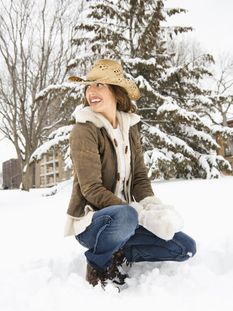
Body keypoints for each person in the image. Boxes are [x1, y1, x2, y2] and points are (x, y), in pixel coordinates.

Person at [65, 59, 196, 288]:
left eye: (99, 85)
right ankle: (99, 263)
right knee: (126, 216)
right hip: (95, 224)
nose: (91, 92)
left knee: (184, 247)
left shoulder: (130, 126)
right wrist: (134, 213)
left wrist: (153, 209)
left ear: (117, 92)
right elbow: (91, 189)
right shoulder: (84, 129)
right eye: (89, 86)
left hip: (127, 221)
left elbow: (139, 179)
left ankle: (121, 251)